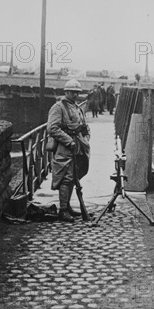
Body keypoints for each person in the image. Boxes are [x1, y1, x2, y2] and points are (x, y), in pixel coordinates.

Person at [47, 79, 91, 222]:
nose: (75, 95)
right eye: (72, 92)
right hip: (64, 147)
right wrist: (68, 141)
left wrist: (86, 135)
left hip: (77, 146)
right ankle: (63, 210)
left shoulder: (76, 107)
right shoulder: (58, 107)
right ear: (66, 92)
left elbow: (83, 125)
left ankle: (68, 207)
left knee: (73, 177)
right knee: (65, 177)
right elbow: (52, 128)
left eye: (77, 93)